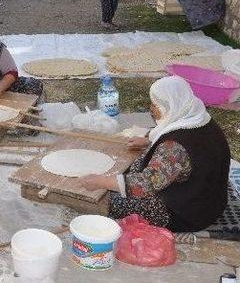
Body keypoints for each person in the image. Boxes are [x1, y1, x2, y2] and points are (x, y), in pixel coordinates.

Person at [79, 76, 230, 232]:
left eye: (155, 104)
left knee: (106, 201)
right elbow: (179, 138)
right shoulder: (199, 118)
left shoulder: (174, 147)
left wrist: (101, 182)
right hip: (211, 200)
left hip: (187, 213)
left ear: (170, 107)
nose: (151, 108)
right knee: (140, 160)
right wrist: (149, 139)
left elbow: (145, 185)